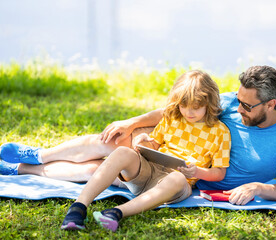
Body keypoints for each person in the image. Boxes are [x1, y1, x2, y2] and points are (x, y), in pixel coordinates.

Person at [0, 65, 276, 206]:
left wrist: (258, 187)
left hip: (192, 173)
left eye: (247, 105)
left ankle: (23, 169)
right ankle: (40, 154)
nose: (237, 107)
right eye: (238, 100)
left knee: (97, 170)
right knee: (112, 141)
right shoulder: (232, 101)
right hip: (173, 147)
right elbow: (176, 111)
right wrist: (132, 122)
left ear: (271, 104)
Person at [60, 70, 231, 231]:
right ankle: (78, 208)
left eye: (195, 106)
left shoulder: (220, 131)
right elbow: (155, 145)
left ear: (209, 103)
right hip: (149, 171)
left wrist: (197, 171)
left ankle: (116, 213)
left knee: (177, 177)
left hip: (175, 185)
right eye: (183, 105)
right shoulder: (173, 118)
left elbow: (219, 173)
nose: (188, 112)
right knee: (122, 152)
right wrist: (144, 143)